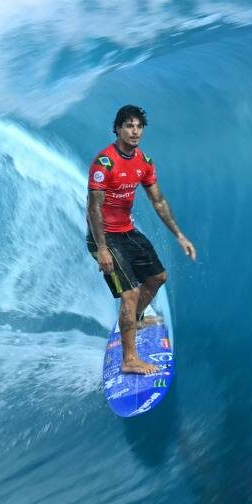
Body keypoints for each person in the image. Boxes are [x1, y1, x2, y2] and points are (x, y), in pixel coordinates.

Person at [86, 104, 196, 375]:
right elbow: (93, 208)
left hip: (126, 231)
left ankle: (133, 319)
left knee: (157, 278)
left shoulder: (144, 162)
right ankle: (129, 359)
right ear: (118, 129)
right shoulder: (104, 163)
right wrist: (101, 249)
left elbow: (158, 201)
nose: (134, 131)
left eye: (139, 126)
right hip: (103, 237)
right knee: (131, 292)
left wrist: (180, 236)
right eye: (129, 126)